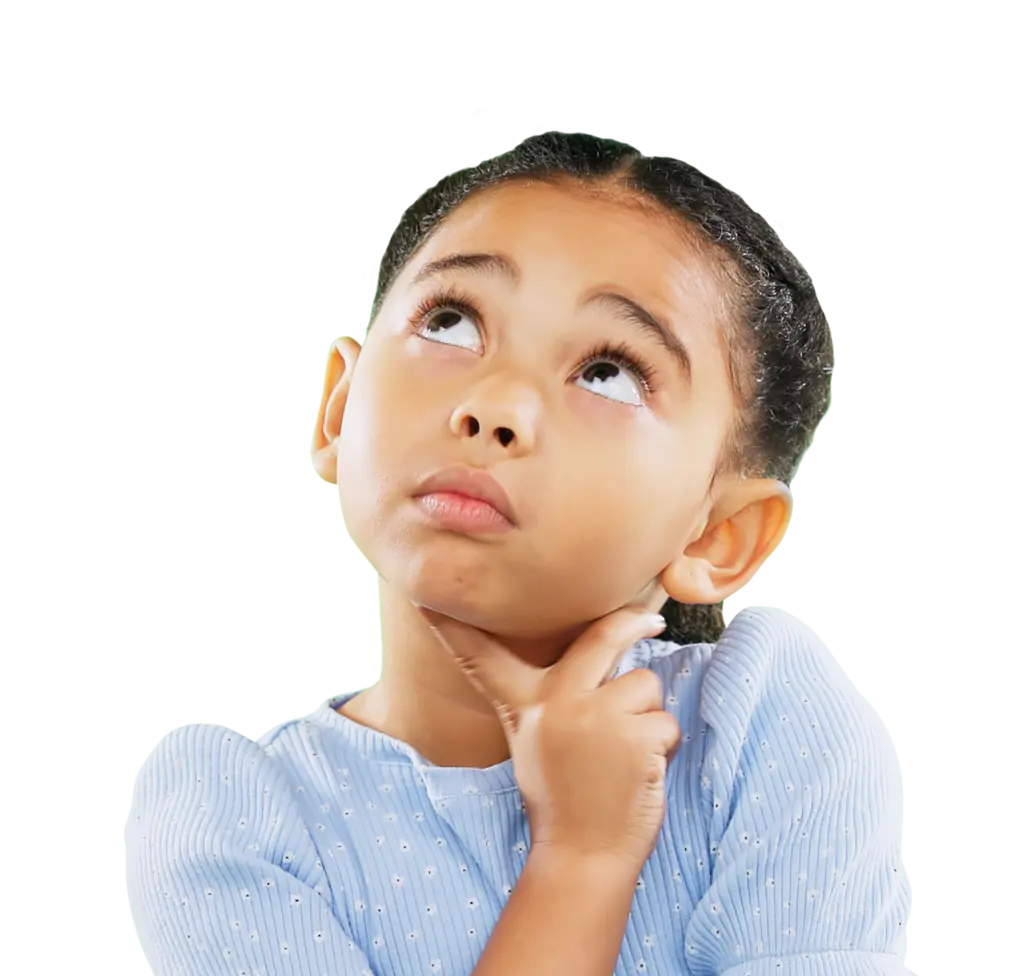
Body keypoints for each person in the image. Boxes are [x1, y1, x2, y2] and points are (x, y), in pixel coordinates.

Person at [125, 128, 909, 975]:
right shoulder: (226, 814)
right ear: (336, 414)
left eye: (608, 371)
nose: (493, 404)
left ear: (718, 537)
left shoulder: (763, 725)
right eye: (453, 321)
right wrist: (578, 861)